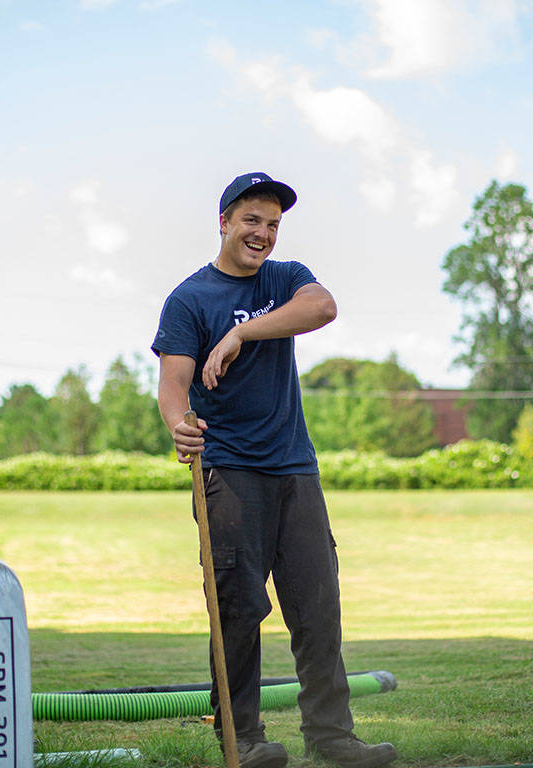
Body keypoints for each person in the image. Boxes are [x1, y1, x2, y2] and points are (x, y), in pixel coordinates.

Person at [151, 172, 397, 768]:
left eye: (272, 224)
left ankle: (332, 738)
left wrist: (241, 331)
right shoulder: (189, 299)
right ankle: (245, 740)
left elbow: (323, 307)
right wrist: (179, 423)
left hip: (295, 468)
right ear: (224, 222)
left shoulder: (286, 279)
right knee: (237, 608)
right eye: (251, 221)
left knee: (318, 605)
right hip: (228, 471)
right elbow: (173, 385)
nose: (262, 233)